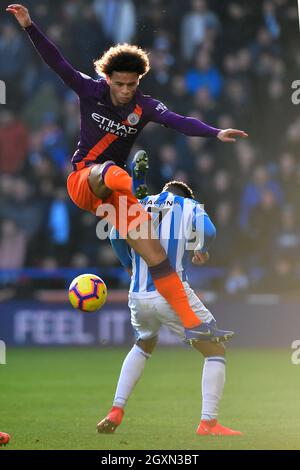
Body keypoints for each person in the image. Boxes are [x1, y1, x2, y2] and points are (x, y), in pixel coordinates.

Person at [6, 4, 248, 340]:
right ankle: (138, 187)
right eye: (119, 83)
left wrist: (215, 133)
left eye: (131, 84)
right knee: (108, 170)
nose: (124, 90)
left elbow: (180, 121)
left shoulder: (144, 106)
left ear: (138, 81)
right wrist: (30, 27)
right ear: (108, 78)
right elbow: (56, 62)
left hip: (115, 196)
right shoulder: (89, 90)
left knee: (158, 260)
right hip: (84, 180)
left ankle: (194, 326)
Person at [97, 179, 241, 436]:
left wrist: (128, 265)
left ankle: (116, 409)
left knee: (143, 343)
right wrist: (202, 249)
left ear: (163, 191)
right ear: (186, 194)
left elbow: (113, 234)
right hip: (171, 292)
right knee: (215, 350)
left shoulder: (140, 203)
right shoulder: (189, 205)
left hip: (138, 294)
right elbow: (208, 231)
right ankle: (209, 423)